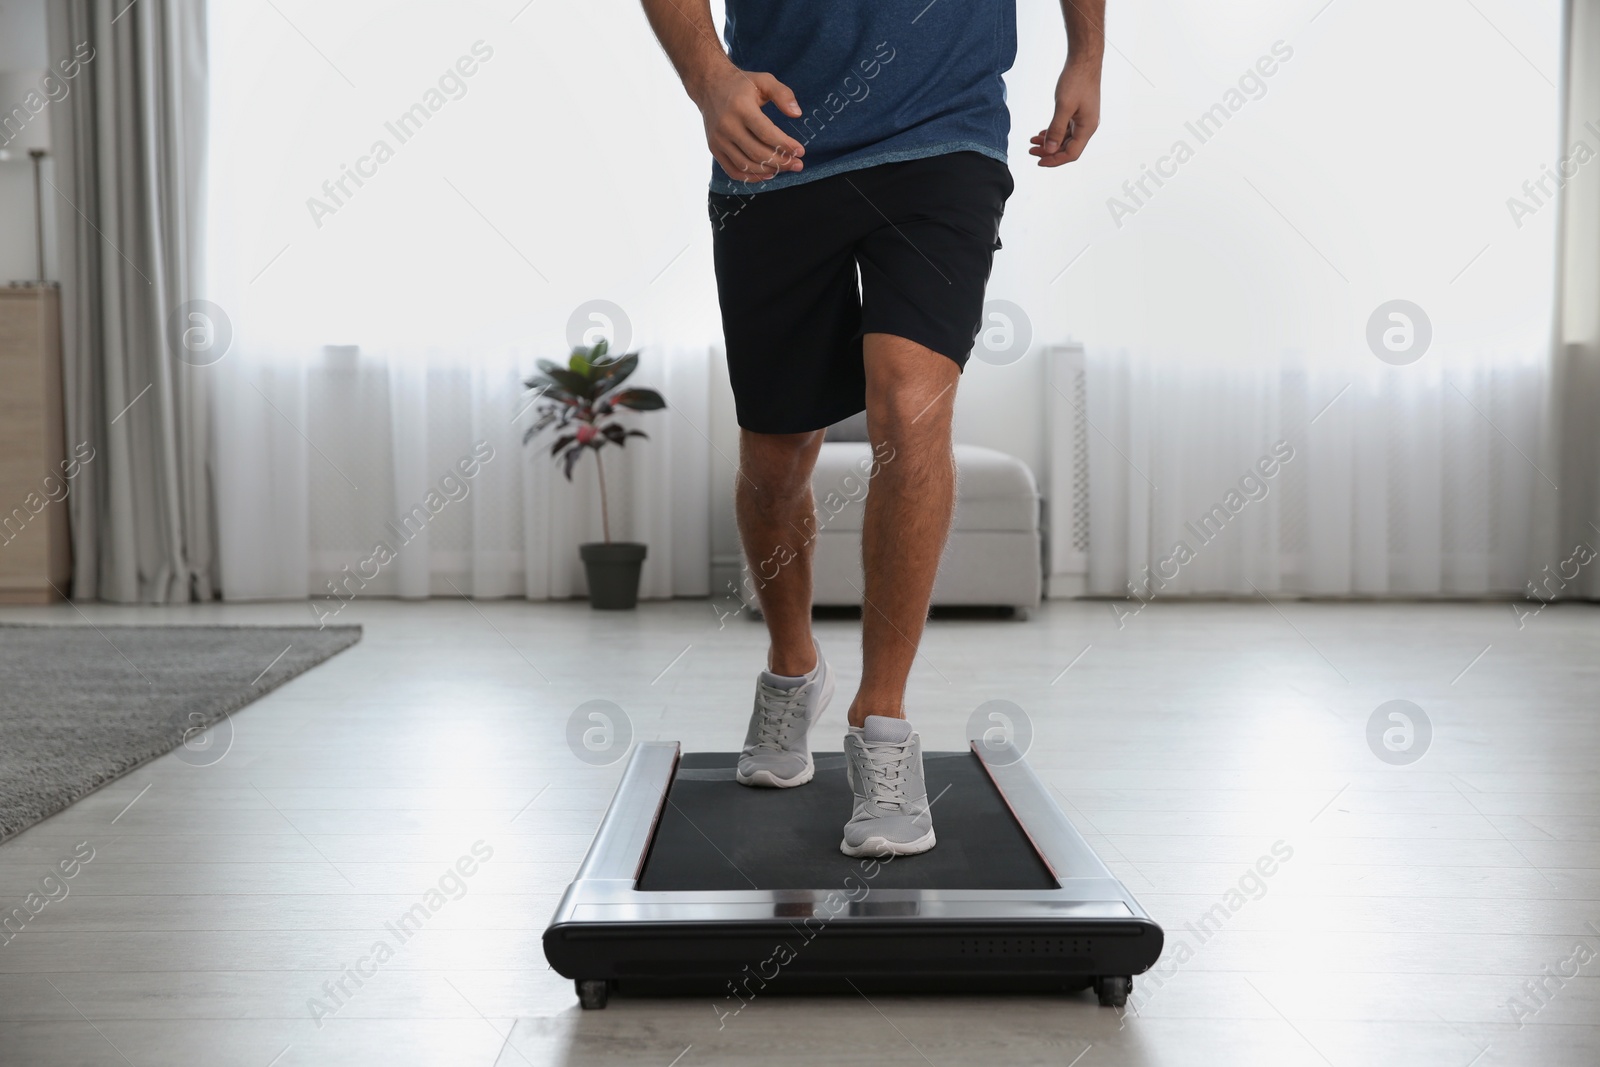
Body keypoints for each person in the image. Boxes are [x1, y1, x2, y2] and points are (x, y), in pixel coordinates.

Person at [641, 0, 1105, 856]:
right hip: (776, 142)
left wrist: (1086, 53)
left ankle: (880, 719)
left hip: (945, 132)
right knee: (778, 459)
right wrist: (710, 81)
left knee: (909, 403)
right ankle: (793, 666)